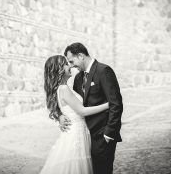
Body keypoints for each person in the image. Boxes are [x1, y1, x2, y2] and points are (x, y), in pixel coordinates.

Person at [60, 42, 123, 174]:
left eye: (72, 61)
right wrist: (60, 116)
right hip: (85, 137)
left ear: (81, 56)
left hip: (102, 135)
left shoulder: (104, 71)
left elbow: (116, 104)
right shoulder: (78, 78)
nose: (71, 66)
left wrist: (109, 133)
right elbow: (73, 103)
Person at [40, 55, 109, 174]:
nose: (70, 66)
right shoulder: (64, 89)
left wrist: (60, 116)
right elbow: (82, 111)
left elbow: (62, 108)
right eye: (66, 64)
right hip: (76, 134)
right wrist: (108, 105)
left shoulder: (64, 88)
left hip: (79, 131)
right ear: (59, 69)